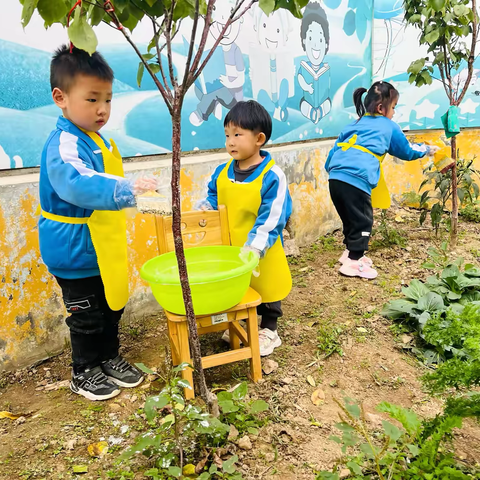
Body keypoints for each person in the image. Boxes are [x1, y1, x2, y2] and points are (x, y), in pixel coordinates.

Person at [38, 45, 158, 401]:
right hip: (75, 247)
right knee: (86, 314)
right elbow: (78, 182)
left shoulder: (99, 139)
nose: (102, 109)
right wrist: (125, 189)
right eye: (92, 99)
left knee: (110, 306)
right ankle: (84, 370)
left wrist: (134, 188)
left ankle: (108, 357)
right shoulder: (63, 144)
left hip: (103, 244)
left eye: (107, 99)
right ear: (60, 97)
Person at [197, 100, 292, 356]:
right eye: (227, 135)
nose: (230, 141)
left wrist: (255, 246)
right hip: (230, 246)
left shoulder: (273, 176)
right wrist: (206, 207)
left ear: (259, 138)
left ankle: (269, 329)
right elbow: (213, 196)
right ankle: (239, 320)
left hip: (262, 246)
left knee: (269, 286)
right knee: (236, 286)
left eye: (237, 135)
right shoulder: (222, 171)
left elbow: (272, 216)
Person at [325, 81, 439, 279]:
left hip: (335, 178)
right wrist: (427, 149)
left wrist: (334, 171)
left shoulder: (355, 124)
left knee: (350, 218)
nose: (394, 113)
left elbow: (335, 150)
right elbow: (406, 150)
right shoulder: (388, 126)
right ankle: (353, 262)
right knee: (363, 221)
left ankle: (350, 254)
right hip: (356, 179)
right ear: (381, 108)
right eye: (393, 107)